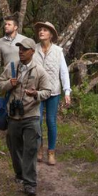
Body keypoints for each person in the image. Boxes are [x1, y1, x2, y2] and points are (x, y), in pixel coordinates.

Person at [0, 38, 52, 196]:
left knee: (31, 149)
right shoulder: (12, 67)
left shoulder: (39, 70)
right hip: (13, 117)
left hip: (31, 116)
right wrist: (9, 84)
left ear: (32, 51)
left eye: (25, 49)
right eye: (19, 48)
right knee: (14, 149)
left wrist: (36, 94)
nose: (21, 51)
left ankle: (30, 183)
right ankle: (20, 174)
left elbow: (48, 91)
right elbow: (0, 84)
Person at [33, 21, 71, 166]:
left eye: (44, 30)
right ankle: (39, 149)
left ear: (50, 35)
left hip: (53, 92)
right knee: (37, 121)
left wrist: (67, 91)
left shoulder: (58, 51)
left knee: (51, 121)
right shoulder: (33, 49)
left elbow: (64, 72)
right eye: (40, 30)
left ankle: (51, 152)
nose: (41, 32)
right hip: (37, 92)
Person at [0, 15, 26, 85]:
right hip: (7, 78)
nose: (6, 26)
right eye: (5, 24)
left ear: (15, 27)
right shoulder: (1, 41)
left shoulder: (24, 40)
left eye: (9, 24)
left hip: (22, 77)